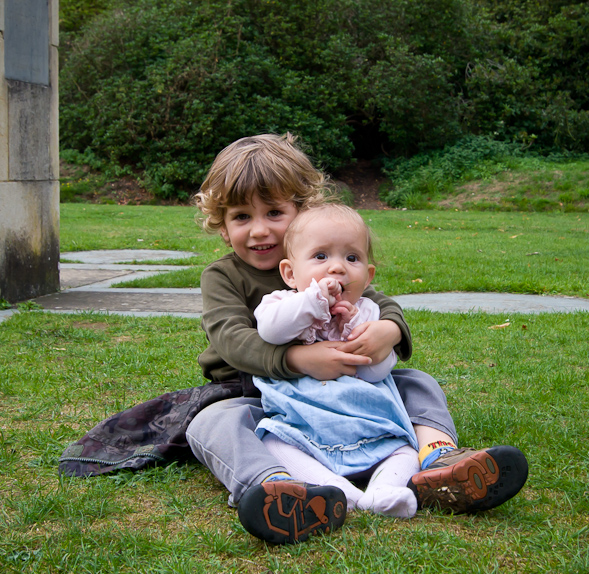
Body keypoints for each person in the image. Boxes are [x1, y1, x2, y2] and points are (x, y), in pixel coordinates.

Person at [188, 133, 528, 544]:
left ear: (300, 211)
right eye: (241, 217)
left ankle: (438, 458)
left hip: (343, 386)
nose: (259, 230)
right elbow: (230, 338)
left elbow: (379, 300)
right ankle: (275, 486)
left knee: (416, 382)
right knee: (210, 422)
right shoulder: (223, 275)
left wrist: (389, 329)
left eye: (274, 212)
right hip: (255, 389)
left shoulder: (326, 260)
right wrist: (299, 360)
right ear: (223, 227)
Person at [253, 203, 421, 518]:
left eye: (352, 258)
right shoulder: (280, 304)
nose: (337, 268)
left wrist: (358, 333)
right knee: (273, 443)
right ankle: (335, 490)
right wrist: (313, 302)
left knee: (406, 450)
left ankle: (384, 491)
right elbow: (272, 332)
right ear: (290, 273)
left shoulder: (370, 313)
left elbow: (377, 373)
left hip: (365, 417)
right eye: (320, 256)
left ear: (368, 276)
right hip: (301, 416)